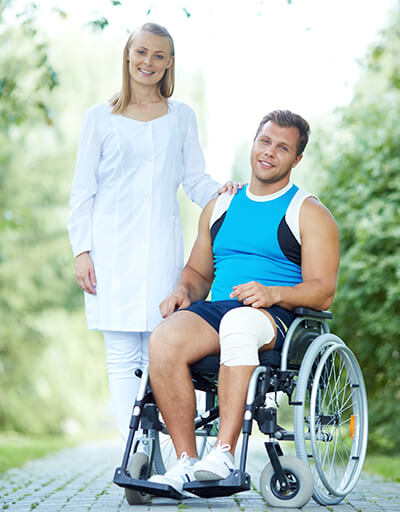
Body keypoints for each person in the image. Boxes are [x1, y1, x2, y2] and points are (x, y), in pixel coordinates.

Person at [147, 110, 340, 495]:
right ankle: (185, 463)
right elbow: (198, 274)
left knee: (238, 323)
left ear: (297, 159)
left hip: (278, 316)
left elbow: (323, 290)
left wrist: (273, 294)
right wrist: (184, 291)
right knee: (163, 338)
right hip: (220, 311)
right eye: (264, 142)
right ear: (254, 144)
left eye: (282, 147)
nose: (269, 153)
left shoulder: (309, 212)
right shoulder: (220, 205)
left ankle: (222, 453)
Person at [67, 22, 238, 442]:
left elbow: (195, 180)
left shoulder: (181, 117)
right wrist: (81, 250)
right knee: (123, 355)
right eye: (142, 52)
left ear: (169, 64)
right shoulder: (99, 118)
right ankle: (137, 453)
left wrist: (224, 195)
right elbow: (82, 191)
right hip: (110, 252)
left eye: (159, 56)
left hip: (162, 251)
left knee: (162, 350)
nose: (148, 62)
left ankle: (172, 450)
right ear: (128, 54)